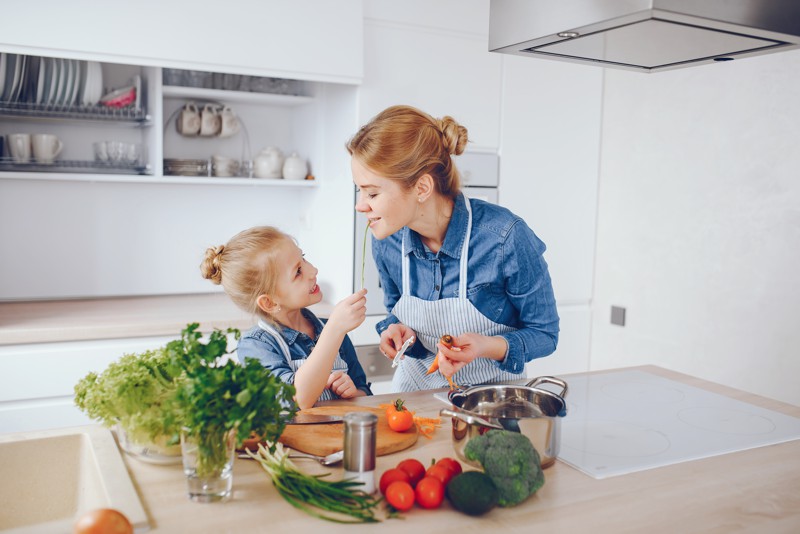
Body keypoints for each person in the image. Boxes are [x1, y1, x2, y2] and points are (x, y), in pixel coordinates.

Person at [347, 105, 559, 392]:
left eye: (372, 193)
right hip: (414, 396)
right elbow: (396, 312)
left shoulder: (504, 238)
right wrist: (395, 331)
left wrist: (485, 346)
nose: (361, 205)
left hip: (490, 401)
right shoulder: (387, 241)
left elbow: (545, 334)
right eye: (360, 191)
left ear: (422, 188)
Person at [200, 226, 371, 409]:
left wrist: (353, 394)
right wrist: (333, 330)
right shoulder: (256, 346)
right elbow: (295, 400)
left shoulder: (331, 329)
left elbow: (366, 394)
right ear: (270, 303)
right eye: (298, 271)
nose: (313, 270)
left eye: (303, 258)